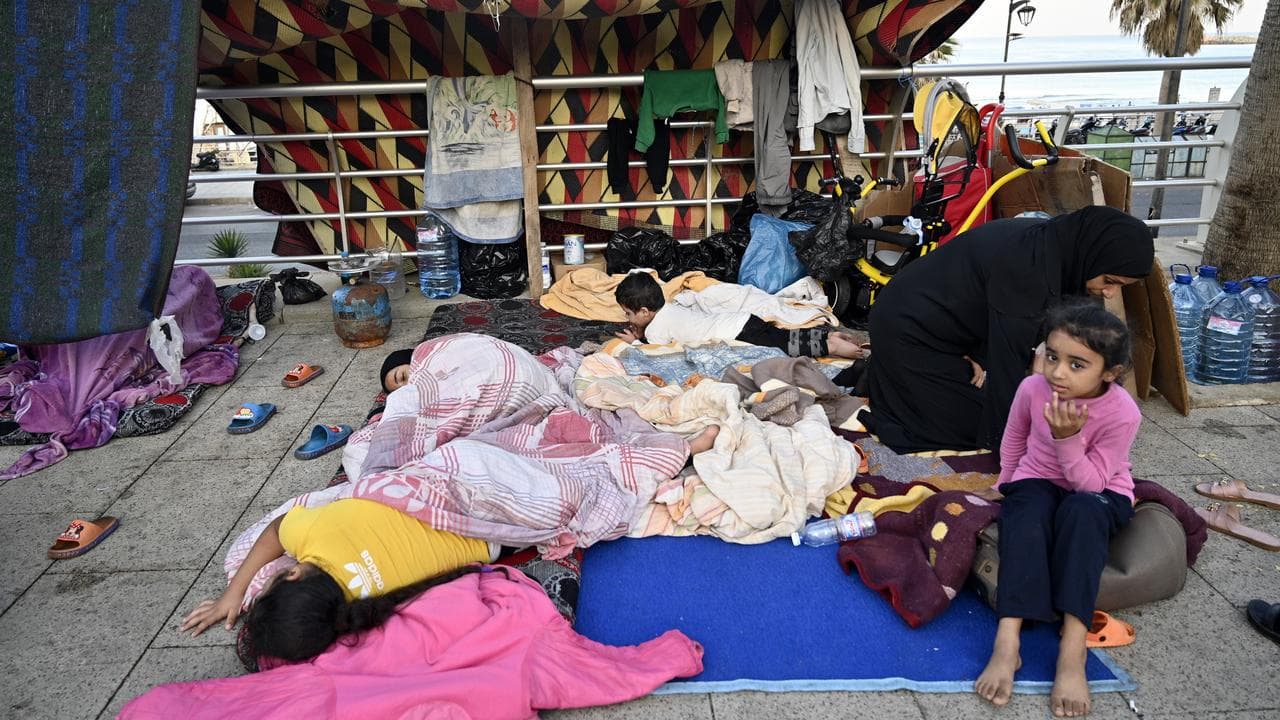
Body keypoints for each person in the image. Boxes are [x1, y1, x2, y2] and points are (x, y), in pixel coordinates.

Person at [864, 205, 1154, 453]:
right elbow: (1008, 368)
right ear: (1093, 255)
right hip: (906, 327)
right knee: (973, 424)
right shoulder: (1030, 269)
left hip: (937, 324)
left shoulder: (1056, 245)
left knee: (979, 392)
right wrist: (1007, 446)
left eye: (1119, 286)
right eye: (1109, 280)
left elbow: (1002, 315)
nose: (1110, 293)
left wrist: (980, 353)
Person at [974, 302, 1141, 718]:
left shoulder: (1123, 411)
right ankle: (1008, 639)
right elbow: (1013, 440)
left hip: (1099, 491)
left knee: (1082, 512)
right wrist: (1004, 485)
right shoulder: (1033, 389)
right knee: (1026, 512)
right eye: (1052, 356)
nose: (1058, 373)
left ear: (1110, 373)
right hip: (1039, 481)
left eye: (1076, 364)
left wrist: (1068, 439)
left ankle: (1072, 648)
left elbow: (1091, 484)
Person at [180, 497, 499, 659]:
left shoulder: (373, 607)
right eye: (264, 588)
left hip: (494, 538)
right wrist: (234, 594)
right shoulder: (319, 534)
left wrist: (230, 595)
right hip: (469, 505)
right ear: (291, 574)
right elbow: (277, 529)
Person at [614, 272, 866, 360]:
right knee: (784, 336)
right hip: (742, 320)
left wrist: (635, 343)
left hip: (738, 333)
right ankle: (829, 335)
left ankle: (830, 346)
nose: (627, 318)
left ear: (645, 312)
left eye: (628, 313)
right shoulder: (669, 308)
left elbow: (657, 354)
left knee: (788, 346)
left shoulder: (656, 329)